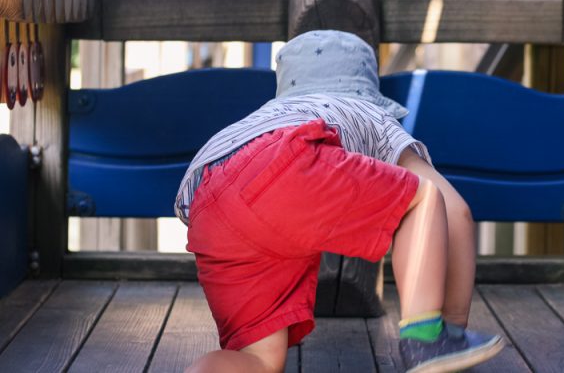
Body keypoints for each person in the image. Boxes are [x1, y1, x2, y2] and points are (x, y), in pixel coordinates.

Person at [175, 30, 504, 372]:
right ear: (367, 88)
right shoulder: (369, 113)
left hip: (209, 202)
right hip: (283, 164)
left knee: (259, 359)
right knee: (423, 196)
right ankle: (428, 340)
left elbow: (243, 182)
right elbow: (456, 212)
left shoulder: (264, 118)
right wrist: (452, 323)